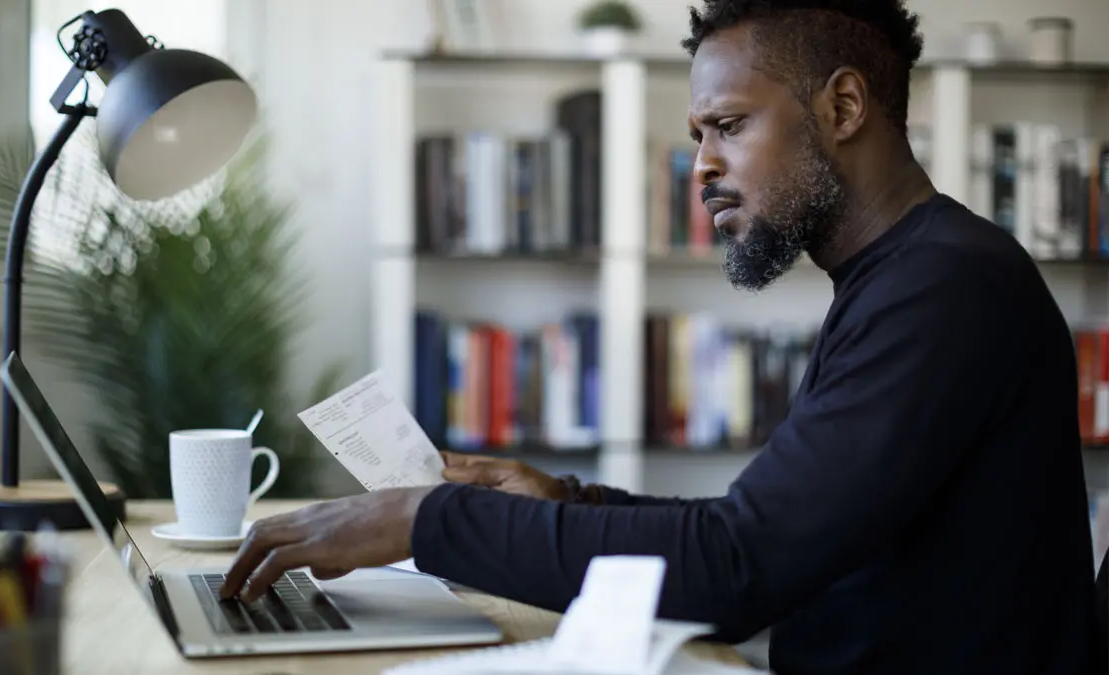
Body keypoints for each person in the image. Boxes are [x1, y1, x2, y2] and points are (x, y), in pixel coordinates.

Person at [219, 1, 1103, 673]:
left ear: (842, 106)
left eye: (730, 126)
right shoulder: (904, 278)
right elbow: (760, 533)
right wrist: (569, 501)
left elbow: (737, 567)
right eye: (698, 135)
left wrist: (424, 518)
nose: (703, 164)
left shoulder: (945, 287)